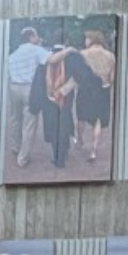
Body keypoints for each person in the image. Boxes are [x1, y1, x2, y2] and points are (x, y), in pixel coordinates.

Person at [48, 30, 116, 164]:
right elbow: (112, 78)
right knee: (98, 121)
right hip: (103, 90)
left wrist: (63, 90)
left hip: (86, 89)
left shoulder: (83, 54)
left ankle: (80, 141)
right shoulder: (111, 56)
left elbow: (77, 76)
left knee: (81, 117)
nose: (85, 41)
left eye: (86, 38)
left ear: (91, 39)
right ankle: (94, 150)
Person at [8, 27, 51, 168]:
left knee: (15, 119)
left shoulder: (13, 54)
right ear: (31, 36)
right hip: (29, 88)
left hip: (14, 87)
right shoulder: (35, 49)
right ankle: (23, 158)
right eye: (37, 36)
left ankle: (16, 147)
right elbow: (51, 58)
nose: (38, 38)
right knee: (29, 124)